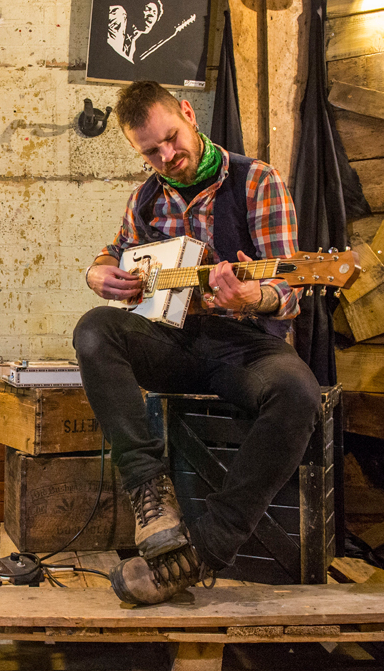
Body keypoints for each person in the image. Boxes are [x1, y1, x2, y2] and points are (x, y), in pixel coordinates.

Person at [74, 81, 321, 605]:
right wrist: (98, 274)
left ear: (188, 114)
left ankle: (202, 552)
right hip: (172, 343)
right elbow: (114, 254)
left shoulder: (257, 181)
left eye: (172, 139)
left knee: (299, 393)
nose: (167, 157)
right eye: (150, 152)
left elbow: (290, 287)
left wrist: (253, 297)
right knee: (94, 329)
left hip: (246, 345)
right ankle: (149, 491)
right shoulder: (144, 198)